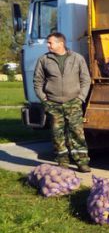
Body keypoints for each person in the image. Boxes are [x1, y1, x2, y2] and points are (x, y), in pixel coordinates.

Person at [33, 32, 92, 172]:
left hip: (73, 102)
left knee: (77, 133)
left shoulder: (77, 58)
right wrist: (44, 99)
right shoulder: (44, 60)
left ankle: (82, 162)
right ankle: (62, 162)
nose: (47, 45)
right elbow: (37, 81)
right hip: (53, 103)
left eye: (50, 42)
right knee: (57, 133)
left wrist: (80, 98)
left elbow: (86, 80)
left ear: (61, 43)